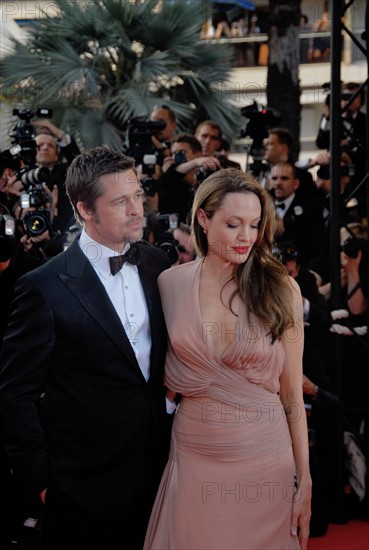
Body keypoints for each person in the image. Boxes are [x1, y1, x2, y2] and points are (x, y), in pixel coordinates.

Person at [0, 146, 171, 550]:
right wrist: (39, 479)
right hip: (81, 482)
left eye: (137, 195)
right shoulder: (43, 286)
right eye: (120, 201)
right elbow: (15, 393)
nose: (136, 209)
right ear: (85, 209)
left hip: (160, 467)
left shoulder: (157, 264)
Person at [144, 168, 312, 550]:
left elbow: (291, 396)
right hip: (194, 454)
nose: (246, 238)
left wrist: (305, 479)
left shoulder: (281, 288)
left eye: (254, 225)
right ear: (203, 219)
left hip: (266, 459)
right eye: (233, 224)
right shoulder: (169, 285)